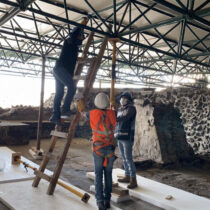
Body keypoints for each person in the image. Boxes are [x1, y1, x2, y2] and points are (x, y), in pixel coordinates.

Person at [84, 92, 117, 210]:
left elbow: (81, 113)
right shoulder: (113, 113)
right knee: (108, 175)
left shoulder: (91, 114)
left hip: (98, 148)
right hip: (110, 149)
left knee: (98, 175)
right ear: (107, 103)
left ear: (96, 102)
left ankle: (100, 202)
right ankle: (107, 200)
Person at [50, 26, 85, 125]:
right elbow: (72, 38)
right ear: (76, 35)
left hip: (59, 70)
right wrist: (82, 25)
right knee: (72, 88)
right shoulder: (69, 41)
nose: (81, 39)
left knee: (59, 93)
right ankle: (65, 109)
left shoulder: (74, 45)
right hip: (61, 69)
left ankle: (55, 116)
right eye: (81, 37)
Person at [115, 91, 137, 189]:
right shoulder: (120, 109)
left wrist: (113, 116)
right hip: (120, 135)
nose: (122, 99)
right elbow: (117, 121)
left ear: (129, 100)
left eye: (125, 98)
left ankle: (133, 179)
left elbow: (125, 118)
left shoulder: (131, 109)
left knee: (128, 158)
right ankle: (127, 175)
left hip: (127, 136)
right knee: (123, 157)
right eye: (122, 97)